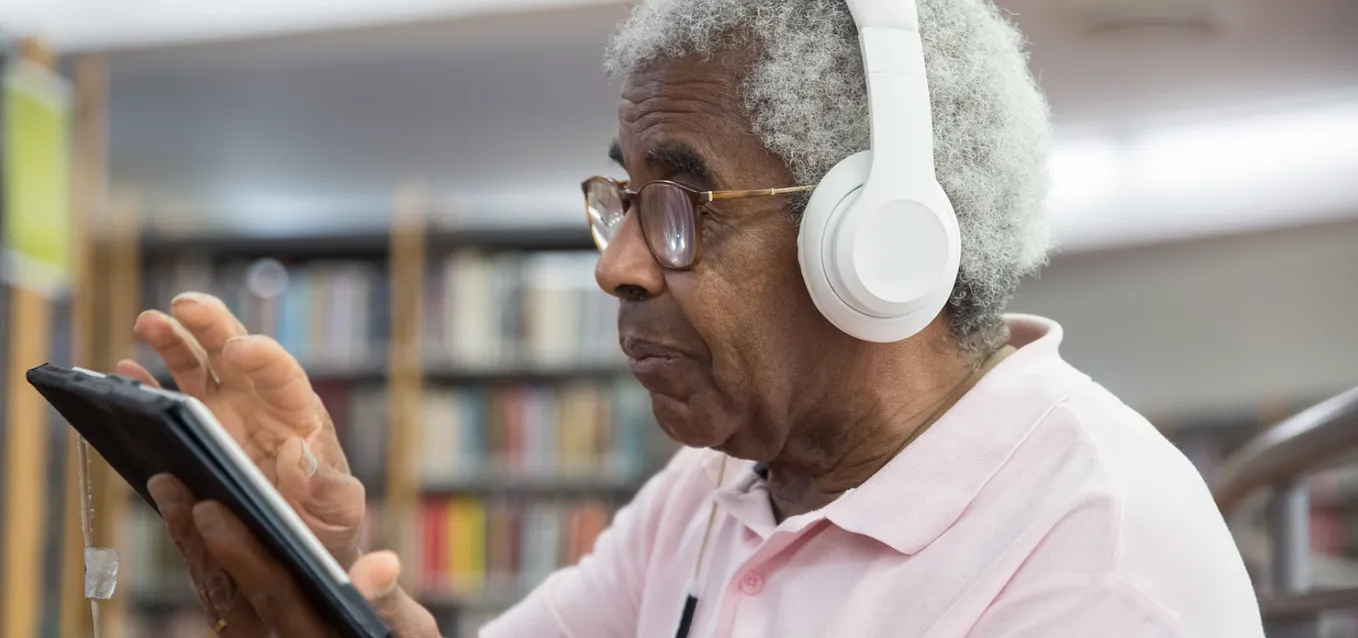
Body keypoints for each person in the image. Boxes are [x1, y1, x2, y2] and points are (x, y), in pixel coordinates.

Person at [125, 0, 1267, 636]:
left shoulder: (1097, 566)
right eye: (619, 200)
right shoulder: (720, 487)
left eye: (678, 202)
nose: (617, 264)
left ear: (879, 241)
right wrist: (317, 573)